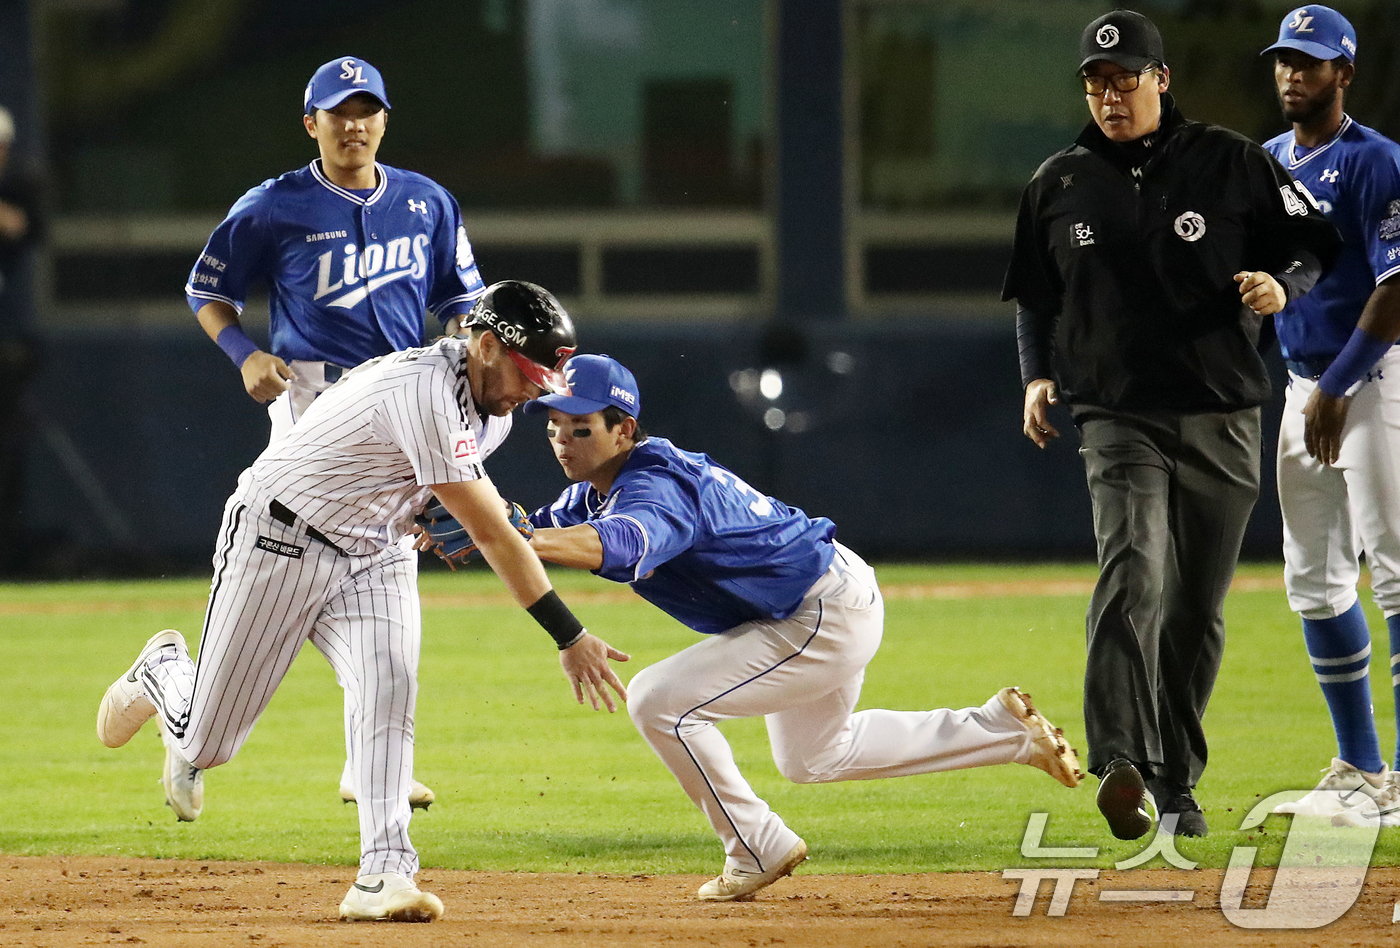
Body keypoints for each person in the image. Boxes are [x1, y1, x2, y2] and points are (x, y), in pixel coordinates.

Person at [96, 282, 628, 922]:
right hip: (281, 535)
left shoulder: (499, 409)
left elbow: (434, 497)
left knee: (389, 687)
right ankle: (163, 672)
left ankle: (384, 874)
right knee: (208, 742)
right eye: (528, 372)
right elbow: (489, 530)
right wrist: (569, 635)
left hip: (375, 549)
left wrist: (428, 509)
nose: (534, 389)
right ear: (485, 346)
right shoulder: (427, 389)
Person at [521, 354, 1081, 903]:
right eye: (554, 427)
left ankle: (755, 846)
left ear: (624, 432)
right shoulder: (597, 491)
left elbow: (621, 543)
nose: (563, 440)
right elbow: (523, 525)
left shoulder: (658, 486)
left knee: (657, 700)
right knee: (814, 756)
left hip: (819, 612)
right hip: (821, 596)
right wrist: (461, 515)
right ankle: (1002, 731)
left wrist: (519, 540)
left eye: (580, 427)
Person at [1003, 10, 1340, 840]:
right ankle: (1120, 757)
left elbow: (1312, 242)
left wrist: (1282, 286)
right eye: (1095, 82)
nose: (1109, 96)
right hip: (1116, 415)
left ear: (1161, 80)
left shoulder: (1232, 161)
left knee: (1194, 606)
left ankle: (1174, 780)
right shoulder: (1059, 180)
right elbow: (1035, 300)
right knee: (1134, 569)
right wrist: (1036, 375)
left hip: (1223, 409)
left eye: (1124, 80)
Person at [184, 56, 488, 809]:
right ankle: (184, 698)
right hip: (312, 401)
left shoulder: (426, 202)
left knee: (388, 557)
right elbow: (208, 289)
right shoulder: (275, 204)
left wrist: (466, 363)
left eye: (368, 111)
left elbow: (464, 303)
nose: (355, 125)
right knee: (316, 542)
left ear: (384, 119)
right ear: (311, 122)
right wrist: (244, 353)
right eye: (339, 112)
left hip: (403, 400)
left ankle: (371, 760)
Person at [1251, 8, 1400, 828]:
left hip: (1372, 381)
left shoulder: (1378, 161)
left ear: (1344, 71)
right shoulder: (1267, 161)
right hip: (1304, 385)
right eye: (1283, 60)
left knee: (1399, 573)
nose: (1291, 74)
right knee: (1314, 580)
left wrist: (1340, 387)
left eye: (1308, 62)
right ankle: (1361, 772)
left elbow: (1397, 284)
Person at [0, 104, 45, 576]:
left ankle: (8, 558)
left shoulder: (19, 188)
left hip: (7, 344)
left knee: (10, 454)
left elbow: (24, 227)